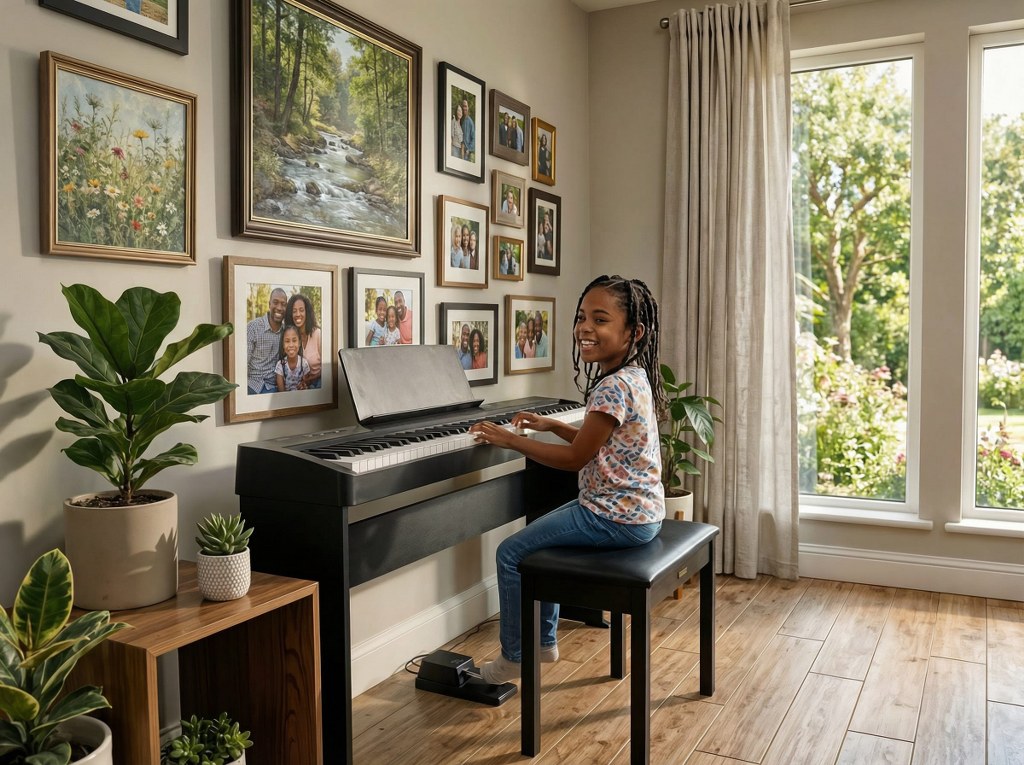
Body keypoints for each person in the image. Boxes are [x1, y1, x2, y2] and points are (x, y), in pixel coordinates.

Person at [468, 275, 667, 684]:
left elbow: (578, 459)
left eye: (601, 319)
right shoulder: (634, 377)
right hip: (638, 512)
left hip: (612, 517)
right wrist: (551, 426)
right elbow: (599, 444)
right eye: (581, 318)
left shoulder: (611, 387)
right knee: (545, 533)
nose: (585, 328)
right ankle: (543, 642)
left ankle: (515, 657)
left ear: (634, 332)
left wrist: (511, 441)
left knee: (511, 553)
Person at [246, 287, 288, 394]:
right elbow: (242, 364)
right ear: (269, 304)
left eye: (283, 304)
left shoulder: (286, 331)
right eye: (275, 302)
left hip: (275, 385)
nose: (279, 307)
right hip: (254, 384)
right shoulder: (253, 327)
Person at [286, 293, 321, 389]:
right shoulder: (292, 338)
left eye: (301, 310)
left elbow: (329, 369)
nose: (298, 314)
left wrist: (310, 380)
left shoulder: (318, 334)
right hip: (305, 383)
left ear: (307, 312)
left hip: (321, 381)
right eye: (294, 311)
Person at [275, 324, 310, 392]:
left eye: (294, 341)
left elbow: (306, 384)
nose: (291, 345)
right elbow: (281, 392)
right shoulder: (280, 366)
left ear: (299, 343)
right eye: (287, 341)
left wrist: (303, 386)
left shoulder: (304, 363)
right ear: (283, 345)